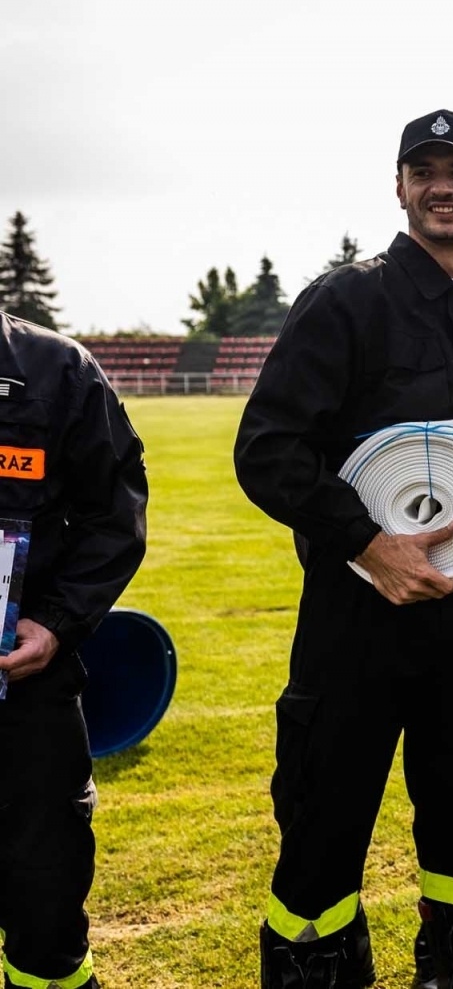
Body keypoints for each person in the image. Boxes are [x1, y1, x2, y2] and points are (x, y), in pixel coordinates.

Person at [236, 109, 453, 989]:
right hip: (357, 621)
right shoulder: (348, 299)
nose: (443, 184)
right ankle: (316, 969)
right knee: (324, 824)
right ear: (400, 186)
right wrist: (372, 545)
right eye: (424, 169)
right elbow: (268, 450)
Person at [0, 314, 147, 989]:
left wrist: (55, 624)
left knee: (46, 893)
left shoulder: (55, 368)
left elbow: (114, 514)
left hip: (27, 689)